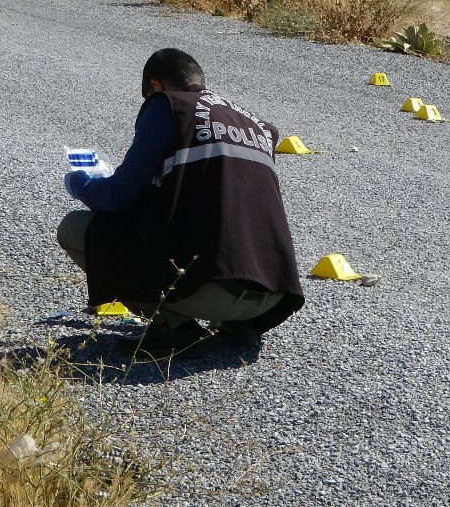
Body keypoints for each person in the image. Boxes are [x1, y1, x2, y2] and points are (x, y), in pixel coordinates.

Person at [58, 48, 304, 354]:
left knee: (73, 228)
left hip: (213, 289)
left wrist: (80, 182)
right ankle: (235, 326)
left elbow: (116, 198)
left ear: (157, 87)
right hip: (271, 297)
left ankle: (173, 325)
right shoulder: (258, 126)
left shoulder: (169, 106)